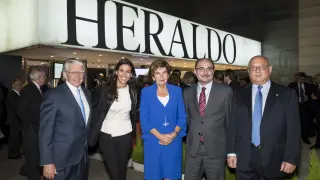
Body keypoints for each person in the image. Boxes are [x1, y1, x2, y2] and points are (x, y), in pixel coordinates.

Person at [227, 55, 301, 180]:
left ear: (270, 69)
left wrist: (291, 158)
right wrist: (231, 152)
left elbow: (293, 129)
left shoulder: (286, 94)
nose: (257, 70)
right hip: (244, 157)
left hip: (274, 158)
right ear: (248, 71)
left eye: (262, 67)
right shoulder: (238, 94)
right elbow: (232, 125)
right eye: (253, 68)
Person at [39, 59, 91, 180]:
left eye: (81, 72)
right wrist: (47, 162)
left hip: (82, 158)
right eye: (74, 72)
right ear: (64, 74)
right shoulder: (54, 95)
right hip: (60, 160)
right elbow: (45, 131)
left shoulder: (87, 94)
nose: (78, 76)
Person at [183, 58, 233, 180]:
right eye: (201, 69)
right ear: (195, 71)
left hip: (216, 150)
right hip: (193, 150)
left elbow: (230, 122)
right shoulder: (187, 92)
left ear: (214, 71)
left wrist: (231, 151)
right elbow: (187, 119)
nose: (205, 72)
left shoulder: (226, 91)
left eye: (209, 69)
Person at [89, 58, 138, 180]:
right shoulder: (103, 89)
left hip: (126, 134)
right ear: (116, 71)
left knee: (121, 170)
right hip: (106, 135)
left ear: (131, 74)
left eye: (128, 71)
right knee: (114, 172)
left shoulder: (133, 90)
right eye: (121, 70)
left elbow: (134, 113)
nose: (124, 74)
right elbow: (93, 109)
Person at [140, 59, 187, 180]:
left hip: (173, 141)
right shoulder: (146, 92)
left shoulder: (177, 91)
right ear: (153, 76)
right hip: (153, 141)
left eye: (164, 72)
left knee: (171, 175)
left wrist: (173, 134)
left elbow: (182, 116)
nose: (161, 76)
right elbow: (144, 119)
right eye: (157, 73)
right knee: (154, 176)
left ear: (168, 74)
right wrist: (161, 136)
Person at [17, 68, 46, 180]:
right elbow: (21, 110)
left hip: (35, 129)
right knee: (32, 156)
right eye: (43, 76)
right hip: (31, 130)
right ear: (38, 78)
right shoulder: (28, 89)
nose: (44, 78)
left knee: (36, 155)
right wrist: (31, 125)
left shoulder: (37, 88)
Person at [6, 78, 23, 159]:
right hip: (14, 120)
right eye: (17, 84)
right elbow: (16, 108)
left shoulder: (17, 94)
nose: (19, 86)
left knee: (16, 138)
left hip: (16, 120)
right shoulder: (12, 95)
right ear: (13, 85)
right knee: (14, 138)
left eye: (20, 84)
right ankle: (13, 154)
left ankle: (16, 152)